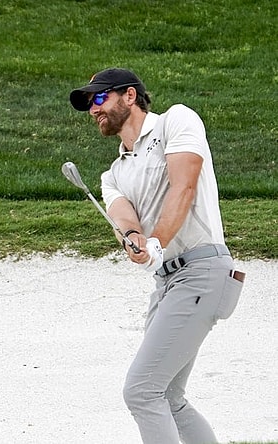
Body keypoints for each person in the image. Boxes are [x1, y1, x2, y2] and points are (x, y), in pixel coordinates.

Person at [69, 68, 245, 444]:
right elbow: (124, 218)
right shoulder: (113, 174)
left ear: (129, 96)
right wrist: (135, 240)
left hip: (202, 269)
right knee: (168, 397)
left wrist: (157, 243)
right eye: (88, 104)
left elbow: (184, 185)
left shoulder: (175, 122)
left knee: (141, 390)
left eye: (99, 98)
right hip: (168, 282)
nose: (92, 109)